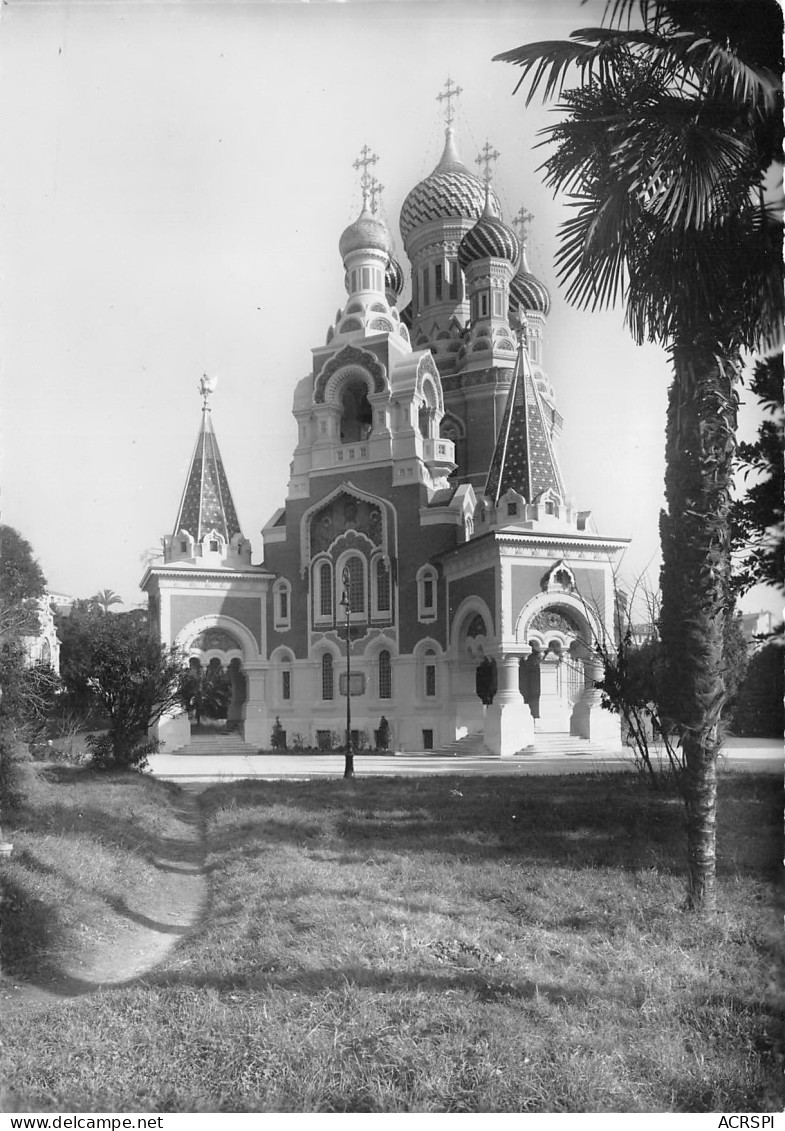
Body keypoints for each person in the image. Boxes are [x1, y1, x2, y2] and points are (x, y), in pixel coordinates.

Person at [520, 642, 542, 721]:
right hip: (526, 681)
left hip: (532, 682)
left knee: (533, 697)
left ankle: (534, 717)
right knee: (529, 697)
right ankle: (532, 717)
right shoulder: (525, 657)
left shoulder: (534, 656)